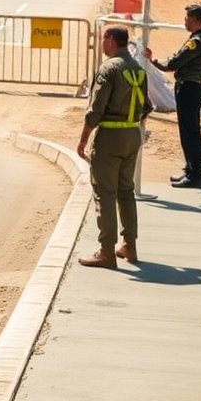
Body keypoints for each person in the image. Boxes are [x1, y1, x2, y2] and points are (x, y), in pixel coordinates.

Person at [76, 26, 153, 269]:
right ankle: (129, 245)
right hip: (132, 135)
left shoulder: (109, 68)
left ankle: (106, 252)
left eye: (103, 40)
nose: (102, 44)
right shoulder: (139, 70)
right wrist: (135, 131)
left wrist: (83, 139)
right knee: (126, 191)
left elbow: (95, 110)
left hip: (110, 136)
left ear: (110, 40)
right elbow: (147, 107)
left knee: (105, 193)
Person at [144, 4, 201, 188]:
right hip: (198, 87)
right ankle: (190, 169)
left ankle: (194, 176)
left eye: (186, 18)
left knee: (189, 133)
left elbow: (174, 63)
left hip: (188, 89)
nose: (184, 21)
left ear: (194, 19)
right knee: (190, 132)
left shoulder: (196, 42)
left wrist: (153, 61)